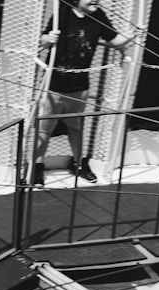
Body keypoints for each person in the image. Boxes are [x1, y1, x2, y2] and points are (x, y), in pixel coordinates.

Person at [31, 0, 133, 187]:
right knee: (45, 128)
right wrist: (49, 39)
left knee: (75, 127)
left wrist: (136, 33)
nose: (95, 0)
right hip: (54, 84)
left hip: (79, 85)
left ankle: (79, 164)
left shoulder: (99, 16)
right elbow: (43, 41)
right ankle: (37, 166)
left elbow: (117, 40)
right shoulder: (62, 13)